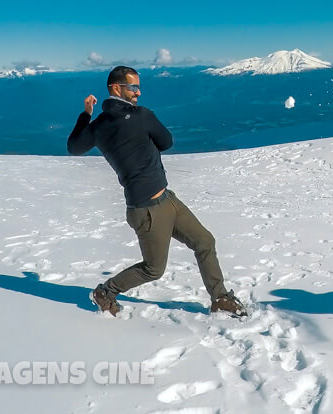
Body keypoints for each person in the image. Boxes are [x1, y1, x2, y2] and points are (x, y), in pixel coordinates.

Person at [67, 65, 247, 318]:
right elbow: (166, 141)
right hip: (149, 210)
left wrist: (86, 114)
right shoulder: (142, 116)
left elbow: (74, 147)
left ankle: (220, 298)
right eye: (134, 87)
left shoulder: (97, 126)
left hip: (165, 200)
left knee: (204, 241)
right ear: (116, 88)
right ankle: (106, 293)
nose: (138, 93)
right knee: (153, 269)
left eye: (139, 87)